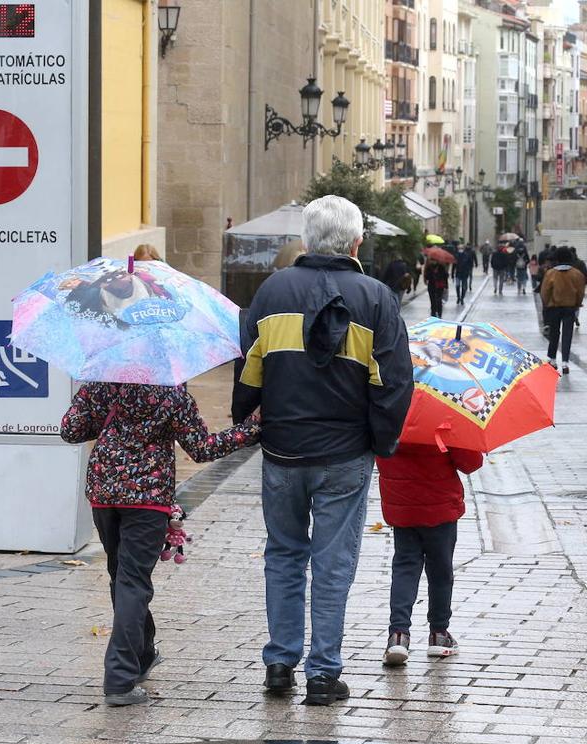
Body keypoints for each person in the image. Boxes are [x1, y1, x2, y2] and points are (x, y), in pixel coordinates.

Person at [237, 195, 414, 705]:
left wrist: (251, 416)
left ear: (307, 240)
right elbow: (393, 383)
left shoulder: (271, 291)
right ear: (357, 241)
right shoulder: (377, 298)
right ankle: (322, 673)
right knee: (333, 562)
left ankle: (278, 663)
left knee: (283, 554)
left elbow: (250, 370)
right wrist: (380, 442)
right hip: (344, 453)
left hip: (282, 451)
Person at [60, 383, 261, 706]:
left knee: (122, 577)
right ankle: (119, 680)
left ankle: (142, 654)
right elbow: (202, 449)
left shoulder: (99, 386)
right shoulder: (171, 393)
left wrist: (103, 411)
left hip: (104, 494)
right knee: (132, 582)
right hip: (147, 500)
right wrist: (251, 427)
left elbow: (70, 430)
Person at [376, 442, 483, 666]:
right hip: (439, 507)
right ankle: (439, 634)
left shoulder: (389, 411)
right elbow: (471, 463)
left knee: (405, 568)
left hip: (402, 506)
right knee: (440, 572)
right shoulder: (444, 415)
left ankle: (398, 635)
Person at [540, 245, 586, 375]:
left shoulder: (551, 273)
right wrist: (577, 303)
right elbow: (581, 292)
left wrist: (547, 304)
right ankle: (565, 362)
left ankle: (552, 359)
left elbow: (544, 292)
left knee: (554, 333)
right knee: (567, 334)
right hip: (570, 308)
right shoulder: (577, 274)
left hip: (554, 307)